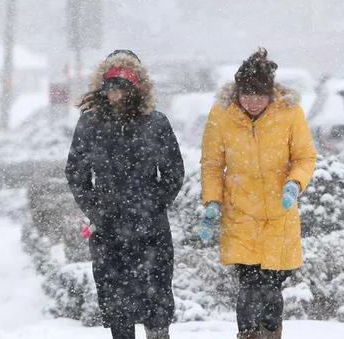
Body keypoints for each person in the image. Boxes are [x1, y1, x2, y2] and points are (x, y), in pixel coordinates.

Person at [65, 50, 184, 339]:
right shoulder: (90, 124)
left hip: (151, 230)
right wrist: (96, 209)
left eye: (123, 87)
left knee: (156, 304)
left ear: (137, 88)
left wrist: (153, 203)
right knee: (118, 307)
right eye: (111, 87)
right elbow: (76, 172)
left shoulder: (156, 123)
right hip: (109, 230)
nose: (116, 95)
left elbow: (173, 172)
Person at [199, 48, 317, 339]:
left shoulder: (289, 113)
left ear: (271, 93)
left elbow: (305, 157)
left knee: (272, 285)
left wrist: (294, 184)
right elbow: (212, 164)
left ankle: (271, 333)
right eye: (246, 95)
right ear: (237, 91)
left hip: (279, 214)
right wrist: (212, 203)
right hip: (240, 214)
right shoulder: (221, 115)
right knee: (249, 285)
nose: (252, 102)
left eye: (259, 95)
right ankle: (248, 335)